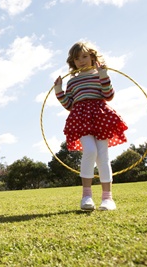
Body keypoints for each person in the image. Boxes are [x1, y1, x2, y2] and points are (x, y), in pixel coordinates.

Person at [54, 41, 128, 211]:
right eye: (77, 58)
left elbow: (109, 95)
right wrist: (58, 89)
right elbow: (69, 104)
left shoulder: (99, 75)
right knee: (90, 150)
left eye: (85, 56)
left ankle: (107, 198)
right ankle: (86, 196)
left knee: (103, 156)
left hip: (100, 116)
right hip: (80, 117)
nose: (81, 61)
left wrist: (103, 75)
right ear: (73, 62)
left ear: (93, 57)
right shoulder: (72, 81)